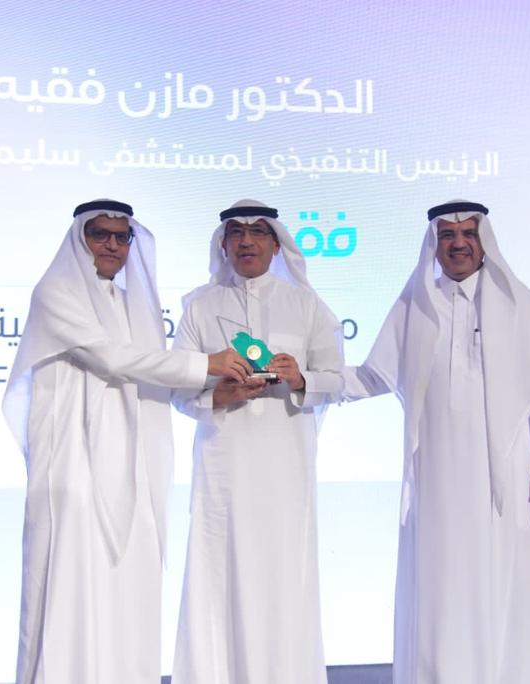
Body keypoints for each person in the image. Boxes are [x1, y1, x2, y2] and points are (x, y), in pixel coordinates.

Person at [2, 199, 252, 684]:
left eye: (122, 237)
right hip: (72, 467)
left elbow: (150, 375)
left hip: (133, 469)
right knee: (70, 588)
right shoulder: (57, 292)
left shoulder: (131, 304)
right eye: (101, 234)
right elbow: (111, 358)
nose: (113, 246)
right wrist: (205, 364)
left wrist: (211, 393)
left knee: (127, 590)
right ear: (81, 239)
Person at [343, 201, 530, 683]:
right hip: (438, 482)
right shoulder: (417, 305)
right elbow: (372, 376)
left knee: (503, 584)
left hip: (505, 482)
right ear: (435, 244)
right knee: (441, 585)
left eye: (468, 233)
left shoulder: (516, 303)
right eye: (447, 235)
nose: (459, 242)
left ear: (484, 240)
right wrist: (305, 382)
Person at [170, 199, 344, 684]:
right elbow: (177, 390)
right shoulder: (199, 307)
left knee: (284, 576)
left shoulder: (306, 305)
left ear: (276, 243)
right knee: (219, 576)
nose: (247, 241)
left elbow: (337, 380)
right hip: (223, 468)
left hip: (286, 469)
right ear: (223, 244)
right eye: (237, 233)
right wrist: (218, 395)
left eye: (258, 232)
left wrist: (301, 377)